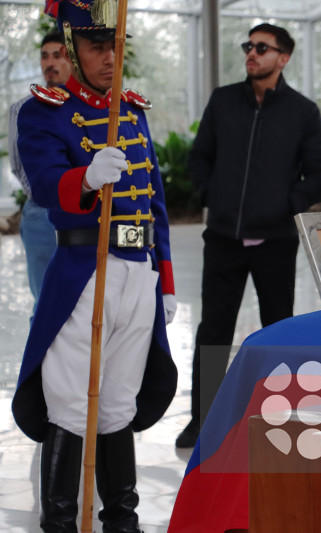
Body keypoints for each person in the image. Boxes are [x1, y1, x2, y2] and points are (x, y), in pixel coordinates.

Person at [12, 1, 177, 531]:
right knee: (68, 403)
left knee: (119, 404)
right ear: (74, 48)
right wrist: (85, 179)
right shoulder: (43, 111)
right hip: (86, 270)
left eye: (116, 46)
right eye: (97, 47)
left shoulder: (131, 110)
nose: (110, 58)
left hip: (137, 273)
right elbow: (42, 184)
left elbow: (157, 205)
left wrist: (165, 280)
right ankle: (60, 523)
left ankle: (122, 522)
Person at [177, 23, 321, 448]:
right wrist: (214, 194)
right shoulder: (224, 101)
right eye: (249, 45)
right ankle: (203, 422)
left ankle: (280, 417)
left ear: (283, 58)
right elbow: (200, 158)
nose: (252, 53)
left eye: (262, 47)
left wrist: (285, 204)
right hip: (224, 238)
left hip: (275, 243)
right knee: (213, 331)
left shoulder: (303, 111)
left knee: (277, 329)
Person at [8, 31, 71, 314]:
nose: (49, 63)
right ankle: (41, 360)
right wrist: (46, 195)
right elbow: (18, 166)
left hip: (85, 214)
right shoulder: (22, 109)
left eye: (57, 55)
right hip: (41, 214)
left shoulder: (90, 109)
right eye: (45, 56)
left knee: (83, 304)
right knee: (44, 305)